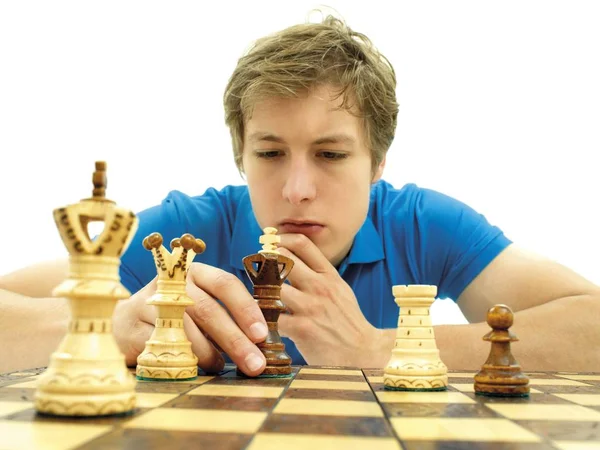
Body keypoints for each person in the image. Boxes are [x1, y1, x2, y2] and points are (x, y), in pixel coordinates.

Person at [1, 14, 599, 376]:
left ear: (378, 163)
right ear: (240, 156)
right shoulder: (186, 231)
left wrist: (376, 345)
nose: (296, 190)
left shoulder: (421, 223)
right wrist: (106, 326)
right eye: (269, 153)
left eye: (332, 155)